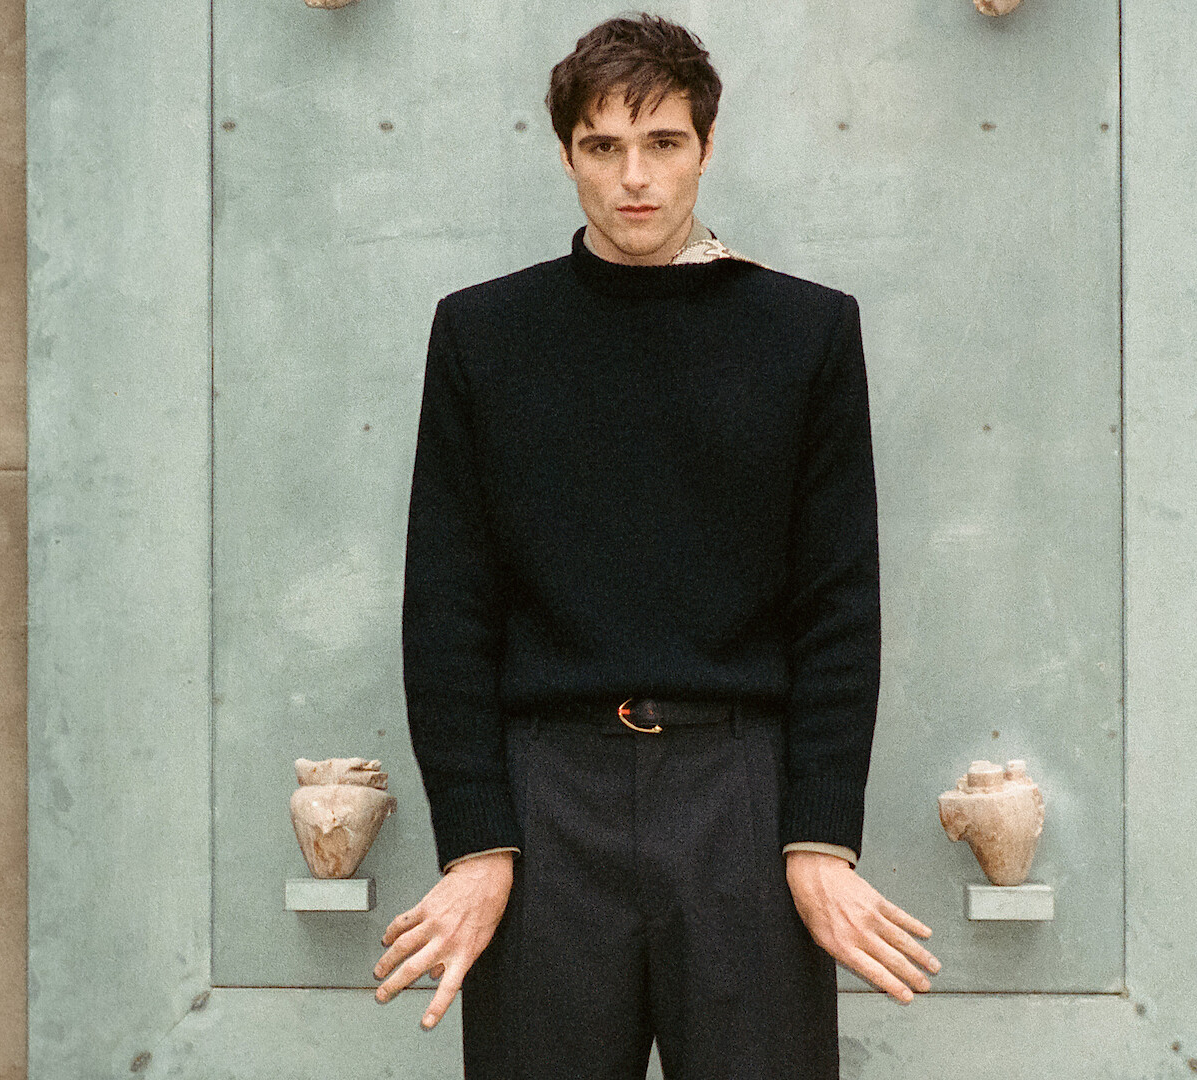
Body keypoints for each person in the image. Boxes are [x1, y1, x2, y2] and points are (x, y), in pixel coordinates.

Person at [373, 14, 939, 1078]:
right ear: (566, 155)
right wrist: (477, 842)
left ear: (706, 148)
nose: (635, 177)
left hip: (740, 792)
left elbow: (837, 605)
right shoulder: (485, 335)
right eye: (603, 147)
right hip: (548, 800)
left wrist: (818, 835)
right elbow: (447, 607)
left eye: (664, 143)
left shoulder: (804, 332)